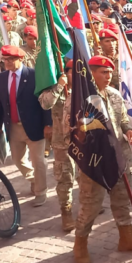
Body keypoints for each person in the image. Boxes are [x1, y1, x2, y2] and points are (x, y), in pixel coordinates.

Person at [70, 56, 132, 263]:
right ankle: (80, 243)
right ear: (92, 74)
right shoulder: (79, 99)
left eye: (109, 72)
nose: (108, 76)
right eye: (103, 72)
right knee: (91, 204)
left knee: (122, 199)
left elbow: (123, 120)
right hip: (94, 161)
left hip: (117, 156)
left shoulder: (114, 94)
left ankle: (126, 237)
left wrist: (129, 130)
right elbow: (69, 131)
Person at [0, 45, 52, 206]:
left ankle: (41, 192)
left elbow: (44, 102)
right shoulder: (1, 78)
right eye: (5, 60)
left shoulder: (34, 76)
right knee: (17, 159)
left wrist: (48, 124)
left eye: (11, 59)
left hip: (34, 125)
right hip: (13, 127)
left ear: (21, 59)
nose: (7, 62)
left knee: (38, 161)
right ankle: (34, 180)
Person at [38, 60, 76, 232]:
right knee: (65, 177)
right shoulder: (56, 88)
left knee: (85, 176)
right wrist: (60, 86)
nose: (75, 75)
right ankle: (66, 211)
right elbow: (45, 103)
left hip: (83, 140)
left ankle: (89, 204)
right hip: (62, 142)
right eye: (71, 72)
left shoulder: (84, 89)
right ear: (65, 73)